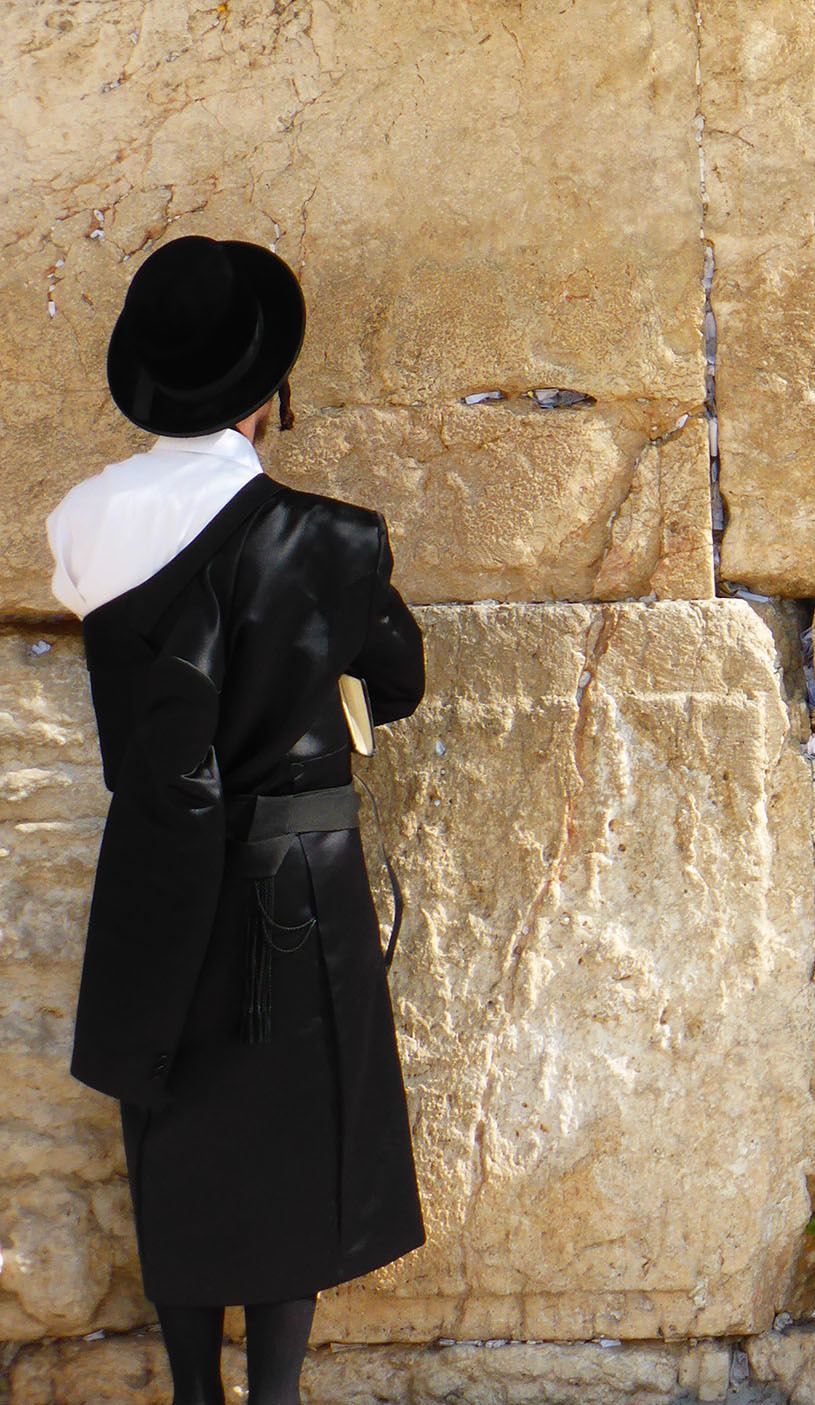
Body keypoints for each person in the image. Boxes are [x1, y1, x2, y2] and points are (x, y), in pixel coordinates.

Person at [47, 235, 427, 1405]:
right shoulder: (328, 539)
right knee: (286, 1145)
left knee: (176, 1130)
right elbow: (398, 679)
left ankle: (192, 1397)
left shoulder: (83, 517)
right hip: (290, 880)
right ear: (267, 396)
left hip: (157, 871)